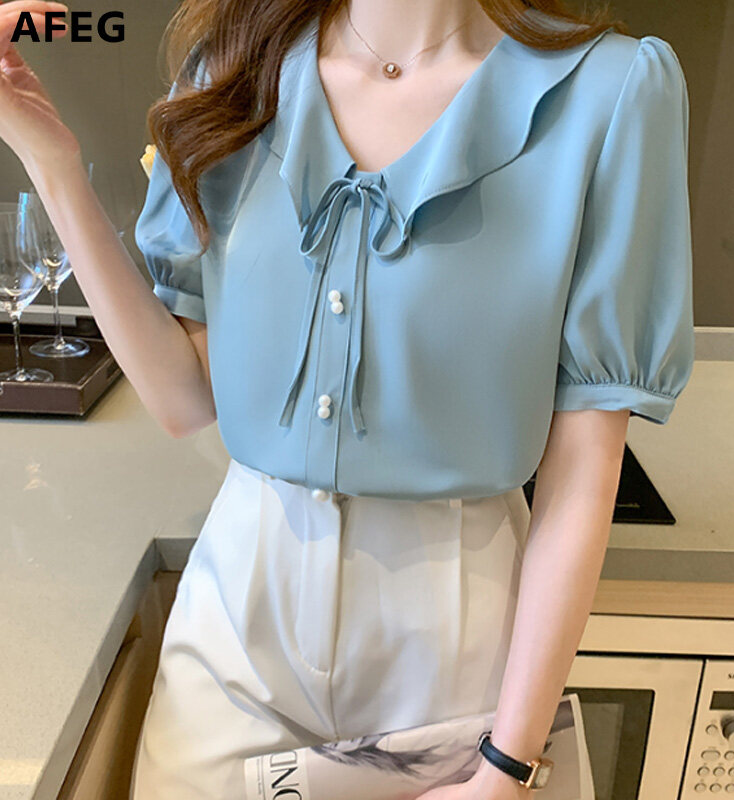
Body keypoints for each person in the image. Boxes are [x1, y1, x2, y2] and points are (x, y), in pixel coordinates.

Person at [0, 0, 695, 797]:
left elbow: (583, 473)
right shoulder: (234, 72)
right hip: (236, 627)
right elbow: (183, 398)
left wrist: (510, 763)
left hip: (453, 650)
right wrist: (51, 163)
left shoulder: (608, 93)